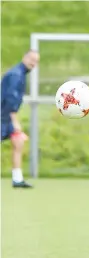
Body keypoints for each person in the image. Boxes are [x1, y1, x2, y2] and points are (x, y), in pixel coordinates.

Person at [1, 50, 40, 188]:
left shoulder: (21, 74)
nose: (33, 63)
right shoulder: (16, 74)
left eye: (36, 61)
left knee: (18, 143)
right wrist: (15, 120)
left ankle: (17, 179)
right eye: (31, 59)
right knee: (18, 141)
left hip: (6, 116)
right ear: (24, 57)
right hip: (3, 116)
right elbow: (10, 98)